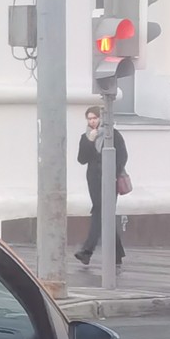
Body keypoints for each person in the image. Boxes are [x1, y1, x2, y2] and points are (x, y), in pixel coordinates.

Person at [75, 105, 129, 266]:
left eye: (95, 118)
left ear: (101, 118)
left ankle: (87, 251)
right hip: (93, 180)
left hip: (110, 180)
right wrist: (89, 142)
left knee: (99, 212)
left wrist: (113, 173)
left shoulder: (113, 135)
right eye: (89, 118)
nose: (92, 121)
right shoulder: (85, 137)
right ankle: (118, 254)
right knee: (105, 215)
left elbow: (122, 157)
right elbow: (82, 159)